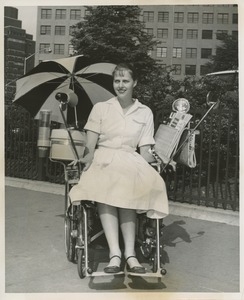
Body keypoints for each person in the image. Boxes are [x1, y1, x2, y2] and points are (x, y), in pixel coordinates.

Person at [69, 63, 169, 274]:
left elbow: (145, 151)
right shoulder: (102, 108)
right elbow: (90, 144)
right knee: (106, 189)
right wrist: (85, 159)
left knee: (130, 188)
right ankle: (115, 253)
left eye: (125, 81)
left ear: (134, 83)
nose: (121, 85)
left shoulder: (145, 112)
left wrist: (164, 158)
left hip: (131, 159)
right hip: (104, 156)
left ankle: (130, 254)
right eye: (117, 81)